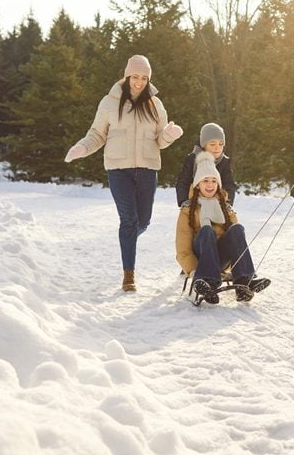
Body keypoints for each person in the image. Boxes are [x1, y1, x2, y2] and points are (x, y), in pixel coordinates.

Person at [64, 54, 183, 293]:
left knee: (144, 221)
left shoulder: (156, 105)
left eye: (144, 78)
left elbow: (160, 140)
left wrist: (169, 135)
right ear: (127, 75)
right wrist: (82, 148)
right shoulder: (109, 102)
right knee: (129, 221)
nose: (139, 82)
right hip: (119, 170)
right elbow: (97, 134)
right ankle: (129, 274)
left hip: (148, 168)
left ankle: (127, 238)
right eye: (135, 77)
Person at [176, 152, 270, 304]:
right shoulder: (188, 210)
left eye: (214, 181)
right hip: (201, 260)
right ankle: (207, 282)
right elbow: (182, 250)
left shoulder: (225, 208)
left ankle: (244, 281)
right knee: (207, 231)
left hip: (220, 259)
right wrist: (194, 271)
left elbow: (237, 242)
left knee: (237, 228)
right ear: (197, 184)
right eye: (205, 180)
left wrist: (233, 270)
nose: (210, 185)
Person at [175, 122, 237, 207]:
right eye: (212, 144)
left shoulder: (224, 161)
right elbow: (183, 183)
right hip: (194, 203)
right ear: (204, 145)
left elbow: (229, 185)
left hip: (216, 204)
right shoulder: (192, 159)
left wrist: (227, 203)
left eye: (221, 144)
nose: (217, 147)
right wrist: (184, 201)